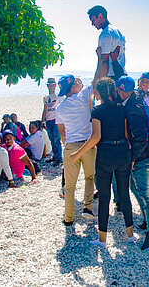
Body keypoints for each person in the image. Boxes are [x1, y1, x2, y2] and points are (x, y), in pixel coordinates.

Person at [69, 77, 138, 248]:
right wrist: (131, 157)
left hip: (106, 155)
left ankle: (102, 239)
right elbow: (126, 134)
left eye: (95, 91)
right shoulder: (121, 108)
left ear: (99, 92)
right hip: (123, 152)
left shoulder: (98, 111)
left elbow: (96, 137)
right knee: (124, 195)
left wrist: (77, 153)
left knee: (104, 197)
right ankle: (130, 235)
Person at [116, 76, 149, 251]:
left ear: (123, 90)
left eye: (119, 90)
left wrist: (133, 158)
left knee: (144, 191)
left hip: (144, 155)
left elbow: (141, 138)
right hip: (143, 153)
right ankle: (147, 220)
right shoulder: (135, 100)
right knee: (136, 189)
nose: (118, 93)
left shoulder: (132, 108)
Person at [56, 75, 97, 226]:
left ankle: (68, 218)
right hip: (87, 145)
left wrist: (67, 145)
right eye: (76, 83)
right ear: (73, 87)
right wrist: (100, 57)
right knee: (89, 177)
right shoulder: (84, 96)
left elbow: (62, 133)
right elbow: (97, 76)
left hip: (71, 146)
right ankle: (87, 207)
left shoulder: (60, 108)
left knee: (70, 185)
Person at [88, 5, 126, 81]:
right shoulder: (117, 31)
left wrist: (101, 83)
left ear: (100, 16)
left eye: (93, 20)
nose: (92, 24)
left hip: (111, 77)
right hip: (121, 75)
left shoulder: (106, 34)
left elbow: (104, 61)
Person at [41, 78, 63, 165]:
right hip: (48, 121)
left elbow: (62, 106)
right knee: (52, 139)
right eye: (49, 85)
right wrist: (42, 121)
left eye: (53, 85)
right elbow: (45, 110)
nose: (51, 87)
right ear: (47, 86)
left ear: (55, 85)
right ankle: (55, 156)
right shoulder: (46, 98)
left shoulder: (58, 96)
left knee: (57, 140)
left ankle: (59, 158)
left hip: (56, 120)